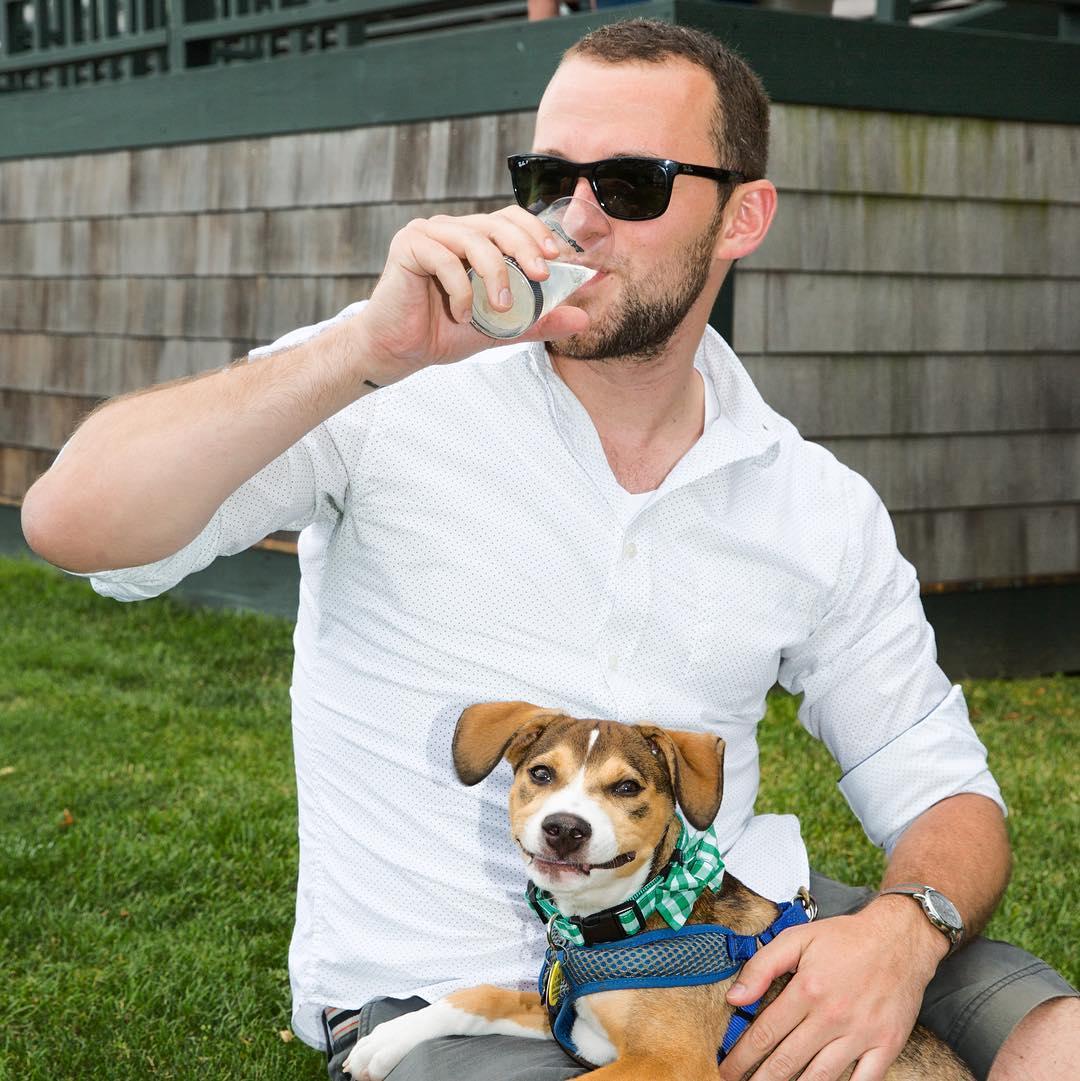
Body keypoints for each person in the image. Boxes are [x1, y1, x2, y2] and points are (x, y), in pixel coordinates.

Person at [20, 18, 1077, 1081]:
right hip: (453, 991)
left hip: (723, 925)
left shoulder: (812, 502)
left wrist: (905, 929)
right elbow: (75, 525)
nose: (575, 219)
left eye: (629, 184)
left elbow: (943, 790)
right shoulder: (391, 388)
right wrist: (366, 348)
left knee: (1057, 1041)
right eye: (549, 179)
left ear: (743, 216)